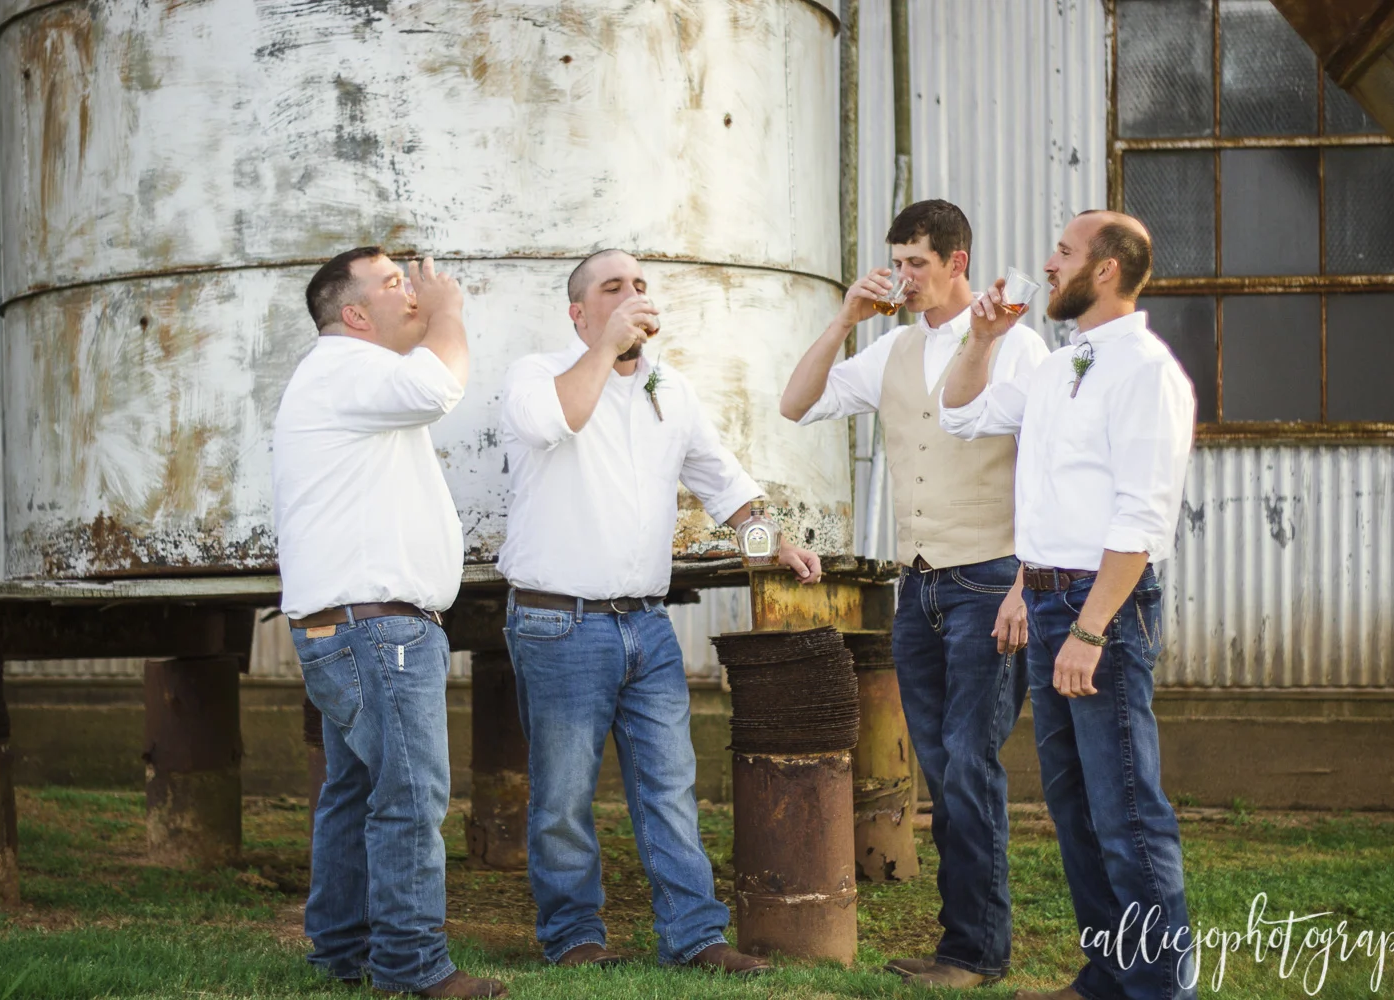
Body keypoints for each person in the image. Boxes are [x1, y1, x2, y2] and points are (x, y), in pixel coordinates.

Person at [498, 248, 823, 976]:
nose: (632, 296)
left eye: (640, 286)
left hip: (646, 622)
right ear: (578, 312)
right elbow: (555, 421)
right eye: (612, 288)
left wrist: (774, 544)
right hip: (559, 623)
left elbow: (724, 485)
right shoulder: (535, 374)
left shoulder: (669, 387)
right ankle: (574, 938)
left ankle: (695, 937)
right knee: (563, 799)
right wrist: (607, 348)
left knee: (671, 789)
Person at [780, 200, 1050, 988]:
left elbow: (1045, 468)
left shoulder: (1016, 344)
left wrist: (1027, 585)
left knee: (969, 763)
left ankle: (975, 952)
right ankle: (961, 944)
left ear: (958, 262)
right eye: (896, 263)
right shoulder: (893, 348)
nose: (902, 278)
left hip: (992, 578)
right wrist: (845, 319)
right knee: (940, 765)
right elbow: (796, 403)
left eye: (917, 264)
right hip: (920, 584)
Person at [940, 211, 1197, 1000]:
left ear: (1106, 269)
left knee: (1126, 810)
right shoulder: (1058, 366)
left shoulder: (1147, 372)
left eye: (1064, 251)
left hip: (1099, 607)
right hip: (1050, 600)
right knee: (1076, 805)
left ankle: (1160, 988)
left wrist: (1090, 628)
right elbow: (960, 414)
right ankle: (1110, 976)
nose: (1048, 264)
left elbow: (1141, 516)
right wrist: (981, 339)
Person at [272, 248, 507, 999]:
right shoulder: (347, 366)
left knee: (355, 795)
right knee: (409, 797)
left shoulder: (347, 377)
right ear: (354, 314)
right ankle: (412, 968)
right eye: (394, 283)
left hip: (353, 629)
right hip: (376, 633)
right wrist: (449, 312)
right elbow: (441, 385)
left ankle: (340, 954)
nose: (414, 291)